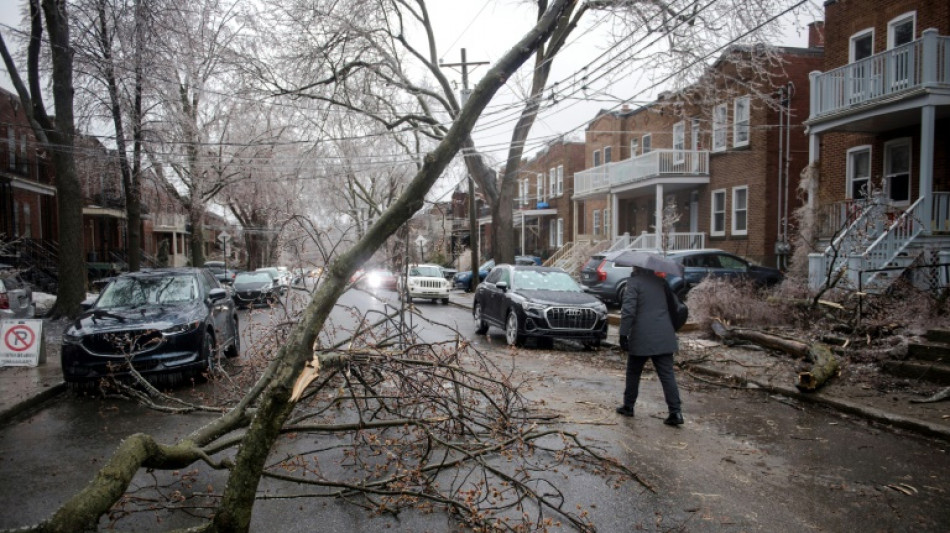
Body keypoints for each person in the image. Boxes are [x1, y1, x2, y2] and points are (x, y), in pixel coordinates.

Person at [616, 266, 684, 426]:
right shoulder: (661, 282)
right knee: (667, 374)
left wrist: (623, 333)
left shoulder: (634, 283)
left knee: (633, 371)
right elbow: (673, 307)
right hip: (664, 334)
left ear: (636, 267)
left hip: (642, 335)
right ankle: (676, 412)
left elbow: (628, 311)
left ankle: (628, 406)